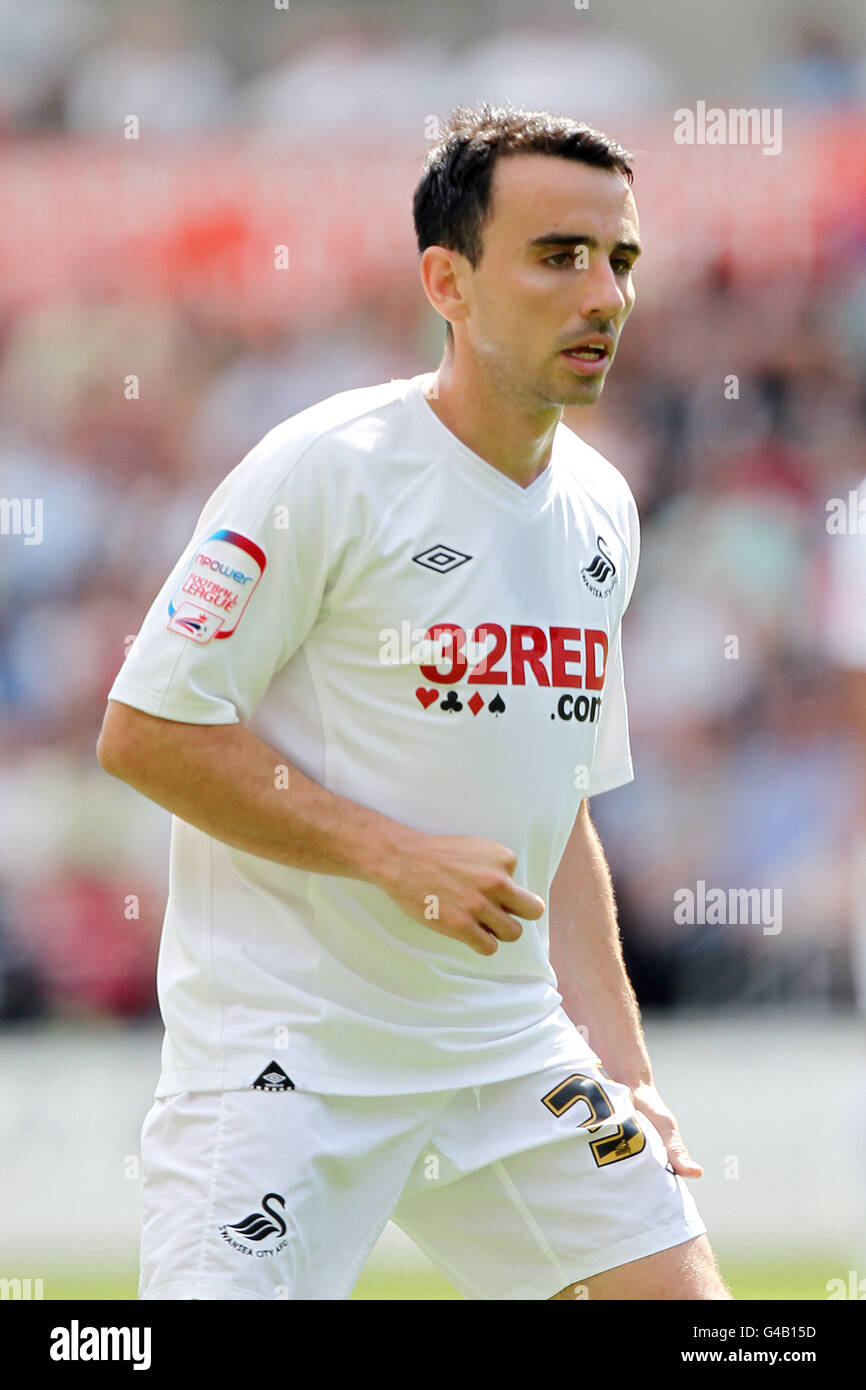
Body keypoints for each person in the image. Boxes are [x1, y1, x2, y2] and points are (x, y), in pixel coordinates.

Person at [97, 104, 730, 1301]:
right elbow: (146, 731)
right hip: (285, 1061)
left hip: (507, 1051)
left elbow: (565, 809)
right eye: (557, 256)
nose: (604, 294)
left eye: (620, 260)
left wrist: (625, 1067)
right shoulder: (321, 469)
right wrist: (392, 856)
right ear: (448, 279)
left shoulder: (602, 509)